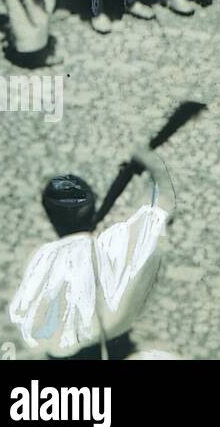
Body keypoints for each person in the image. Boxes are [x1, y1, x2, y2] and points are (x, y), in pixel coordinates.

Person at [9, 150, 174, 359]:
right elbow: (158, 209)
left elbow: (25, 318)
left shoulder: (41, 259)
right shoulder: (112, 245)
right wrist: (149, 165)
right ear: (93, 205)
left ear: (50, 217)